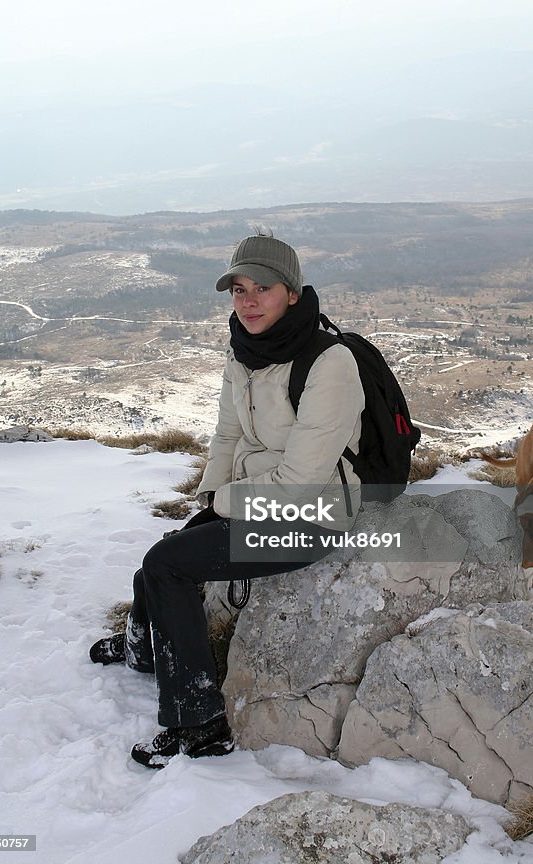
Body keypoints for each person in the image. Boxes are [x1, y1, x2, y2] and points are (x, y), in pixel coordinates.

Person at [89, 231, 364, 768]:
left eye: (262, 287)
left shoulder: (330, 363)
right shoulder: (244, 353)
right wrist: (210, 498)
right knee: (167, 556)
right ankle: (142, 648)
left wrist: (224, 506)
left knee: (166, 565)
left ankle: (200, 722)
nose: (248, 301)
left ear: (292, 292)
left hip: (314, 516)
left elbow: (301, 484)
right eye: (239, 289)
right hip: (255, 500)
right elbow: (227, 437)